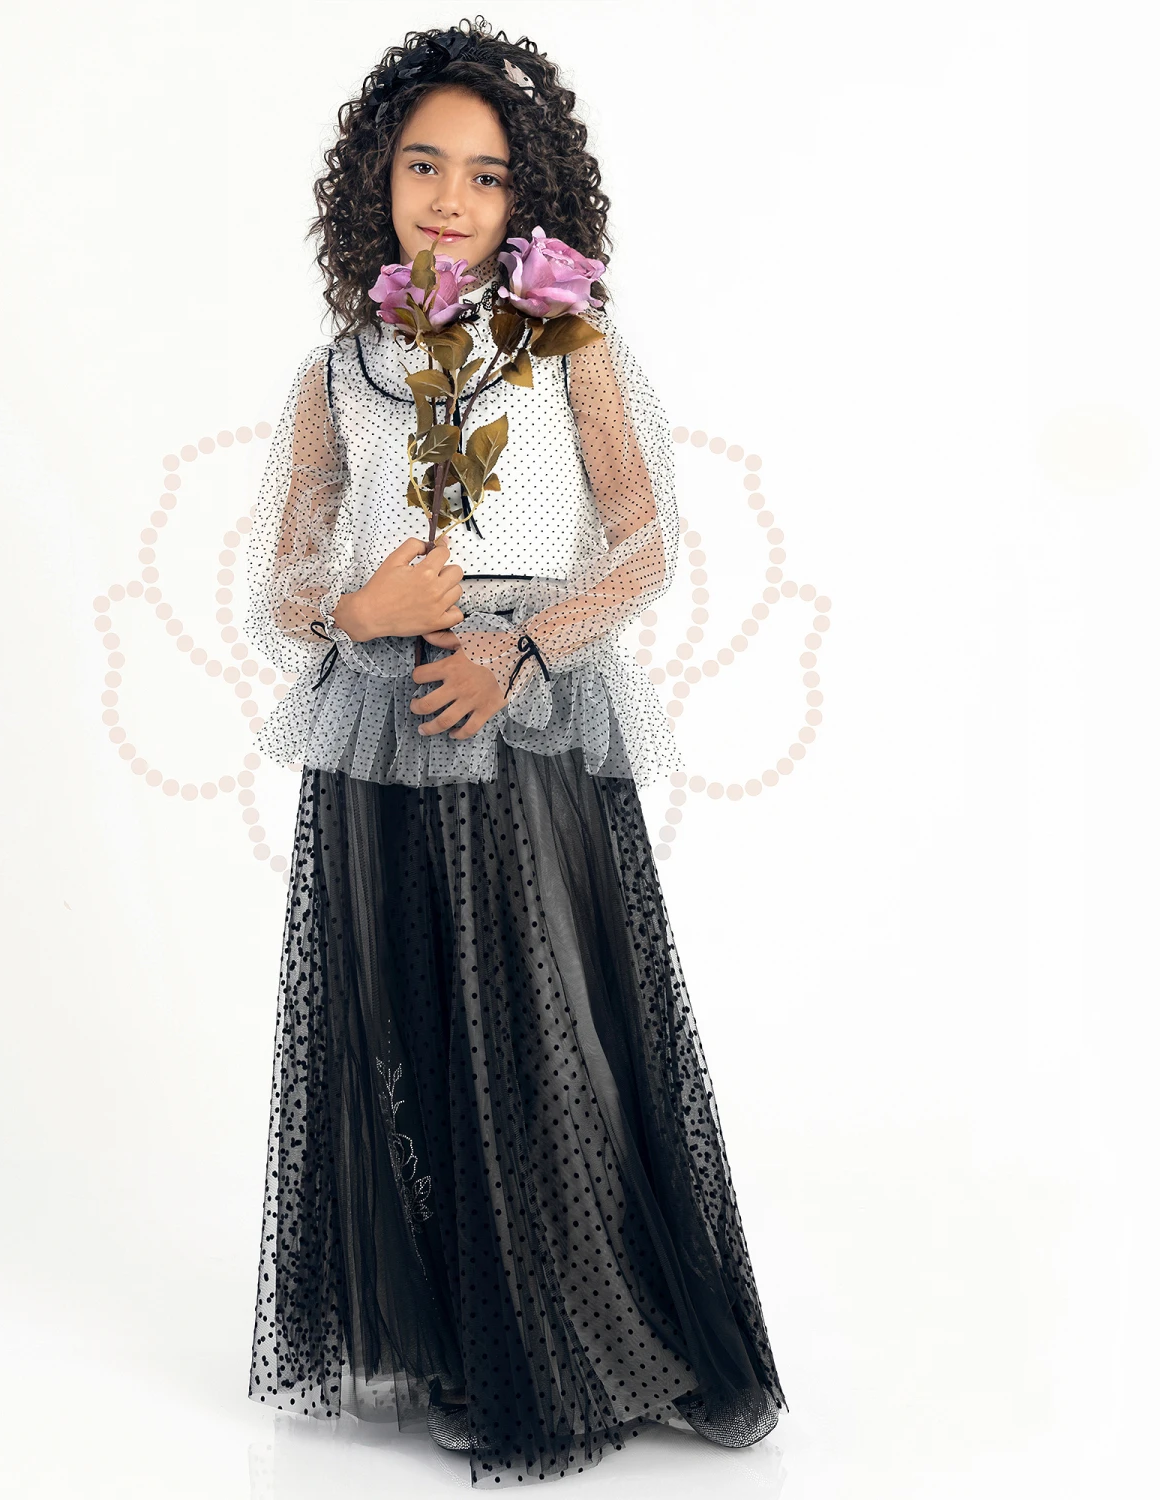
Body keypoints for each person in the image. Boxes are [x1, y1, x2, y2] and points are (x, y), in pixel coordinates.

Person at [244, 19, 787, 1485]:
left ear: (526, 200)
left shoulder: (571, 345)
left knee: (548, 1019)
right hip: (385, 717)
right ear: (376, 179)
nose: (449, 199)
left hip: (522, 705)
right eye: (423, 165)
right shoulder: (336, 374)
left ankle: (591, 1332)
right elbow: (284, 574)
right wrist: (356, 607)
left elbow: (644, 540)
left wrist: (520, 650)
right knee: (412, 1018)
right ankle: (465, 1330)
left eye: (484, 176)